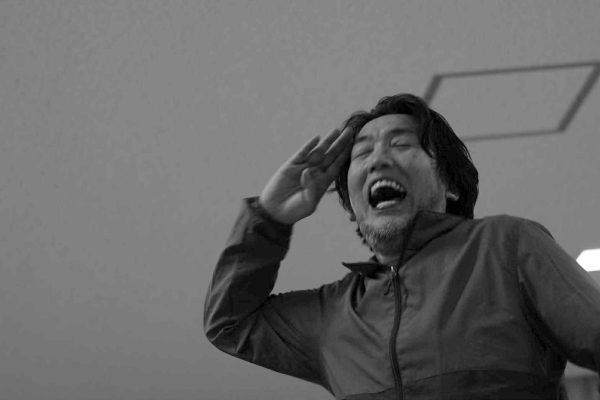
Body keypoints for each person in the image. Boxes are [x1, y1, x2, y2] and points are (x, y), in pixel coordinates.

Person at [204, 93, 600, 399]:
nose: (377, 160)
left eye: (400, 144)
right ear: (352, 205)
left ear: (450, 183)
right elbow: (230, 323)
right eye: (362, 153)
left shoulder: (505, 245)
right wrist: (269, 217)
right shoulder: (334, 312)